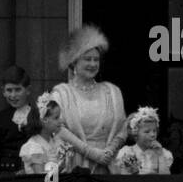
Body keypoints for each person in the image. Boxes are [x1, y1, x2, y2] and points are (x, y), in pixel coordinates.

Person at [51, 24, 127, 173]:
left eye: (96, 60)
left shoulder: (112, 91)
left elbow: (123, 129)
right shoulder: (61, 94)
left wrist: (109, 151)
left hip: (108, 165)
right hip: (76, 166)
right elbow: (58, 129)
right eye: (87, 59)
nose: (93, 64)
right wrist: (91, 153)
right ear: (74, 62)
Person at [0, 65, 36, 174]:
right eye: (9, 90)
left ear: (28, 90)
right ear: (3, 91)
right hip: (5, 179)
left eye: (18, 90)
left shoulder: (39, 116)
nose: (13, 95)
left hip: (33, 177)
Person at [19, 92, 71, 176]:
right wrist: (60, 167)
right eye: (56, 118)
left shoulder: (56, 141)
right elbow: (40, 179)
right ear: (43, 120)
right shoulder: (34, 146)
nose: (61, 121)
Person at [113, 106, 174, 174]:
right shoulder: (127, 152)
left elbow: (165, 179)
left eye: (154, 131)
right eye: (147, 131)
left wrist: (160, 156)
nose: (152, 135)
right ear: (136, 134)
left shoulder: (163, 154)